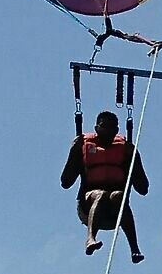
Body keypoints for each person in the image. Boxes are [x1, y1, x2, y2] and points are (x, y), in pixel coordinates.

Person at [61, 111, 148, 262]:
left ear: (116, 130)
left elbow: (143, 188)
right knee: (100, 194)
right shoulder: (84, 146)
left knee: (118, 195)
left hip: (115, 210)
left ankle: (135, 249)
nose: (108, 130)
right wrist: (74, 151)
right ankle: (90, 239)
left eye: (112, 127)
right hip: (88, 205)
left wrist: (134, 156)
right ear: (96, 128)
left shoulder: (125, 149)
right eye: (104, 126)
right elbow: (66, 182)